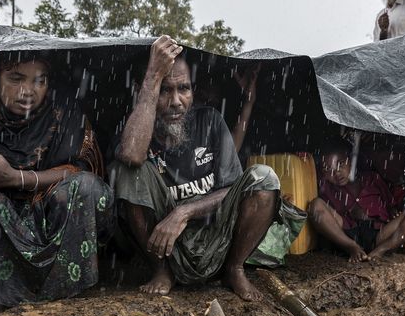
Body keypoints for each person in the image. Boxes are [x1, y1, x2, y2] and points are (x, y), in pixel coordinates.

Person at [0, 50, 114, 307]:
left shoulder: (63, 110)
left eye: (39, 80)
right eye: (16, 79)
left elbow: (79, 170)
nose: (28, 90)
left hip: (49, 218)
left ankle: (64, 285)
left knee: (89, 188)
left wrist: (17, 178)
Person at [110, 35, 281, 301]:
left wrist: (184, 212)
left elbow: (232, 187)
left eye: (184, 89)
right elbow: (132, 156)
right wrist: (152, 77)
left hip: (216, 238)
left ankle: (234, 269)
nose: (176, 101)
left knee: (264, 177)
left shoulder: (209, 120)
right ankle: (161, 270)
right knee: (129, 170)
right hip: (165, 246)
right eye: (165, 90)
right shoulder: (136, 127)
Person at [307, 137, 405, 262]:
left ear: (351, 160)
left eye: (341, 164)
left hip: (379, 234)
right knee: (315, 205)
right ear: (323, 172)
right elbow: (307, 162)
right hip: (345, 231)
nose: (336, 173)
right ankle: (351, 247)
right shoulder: (326, 186)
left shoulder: (372, 178)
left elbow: (390, 204)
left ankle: (382, 250)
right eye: (328, 169)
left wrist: (393, 213)